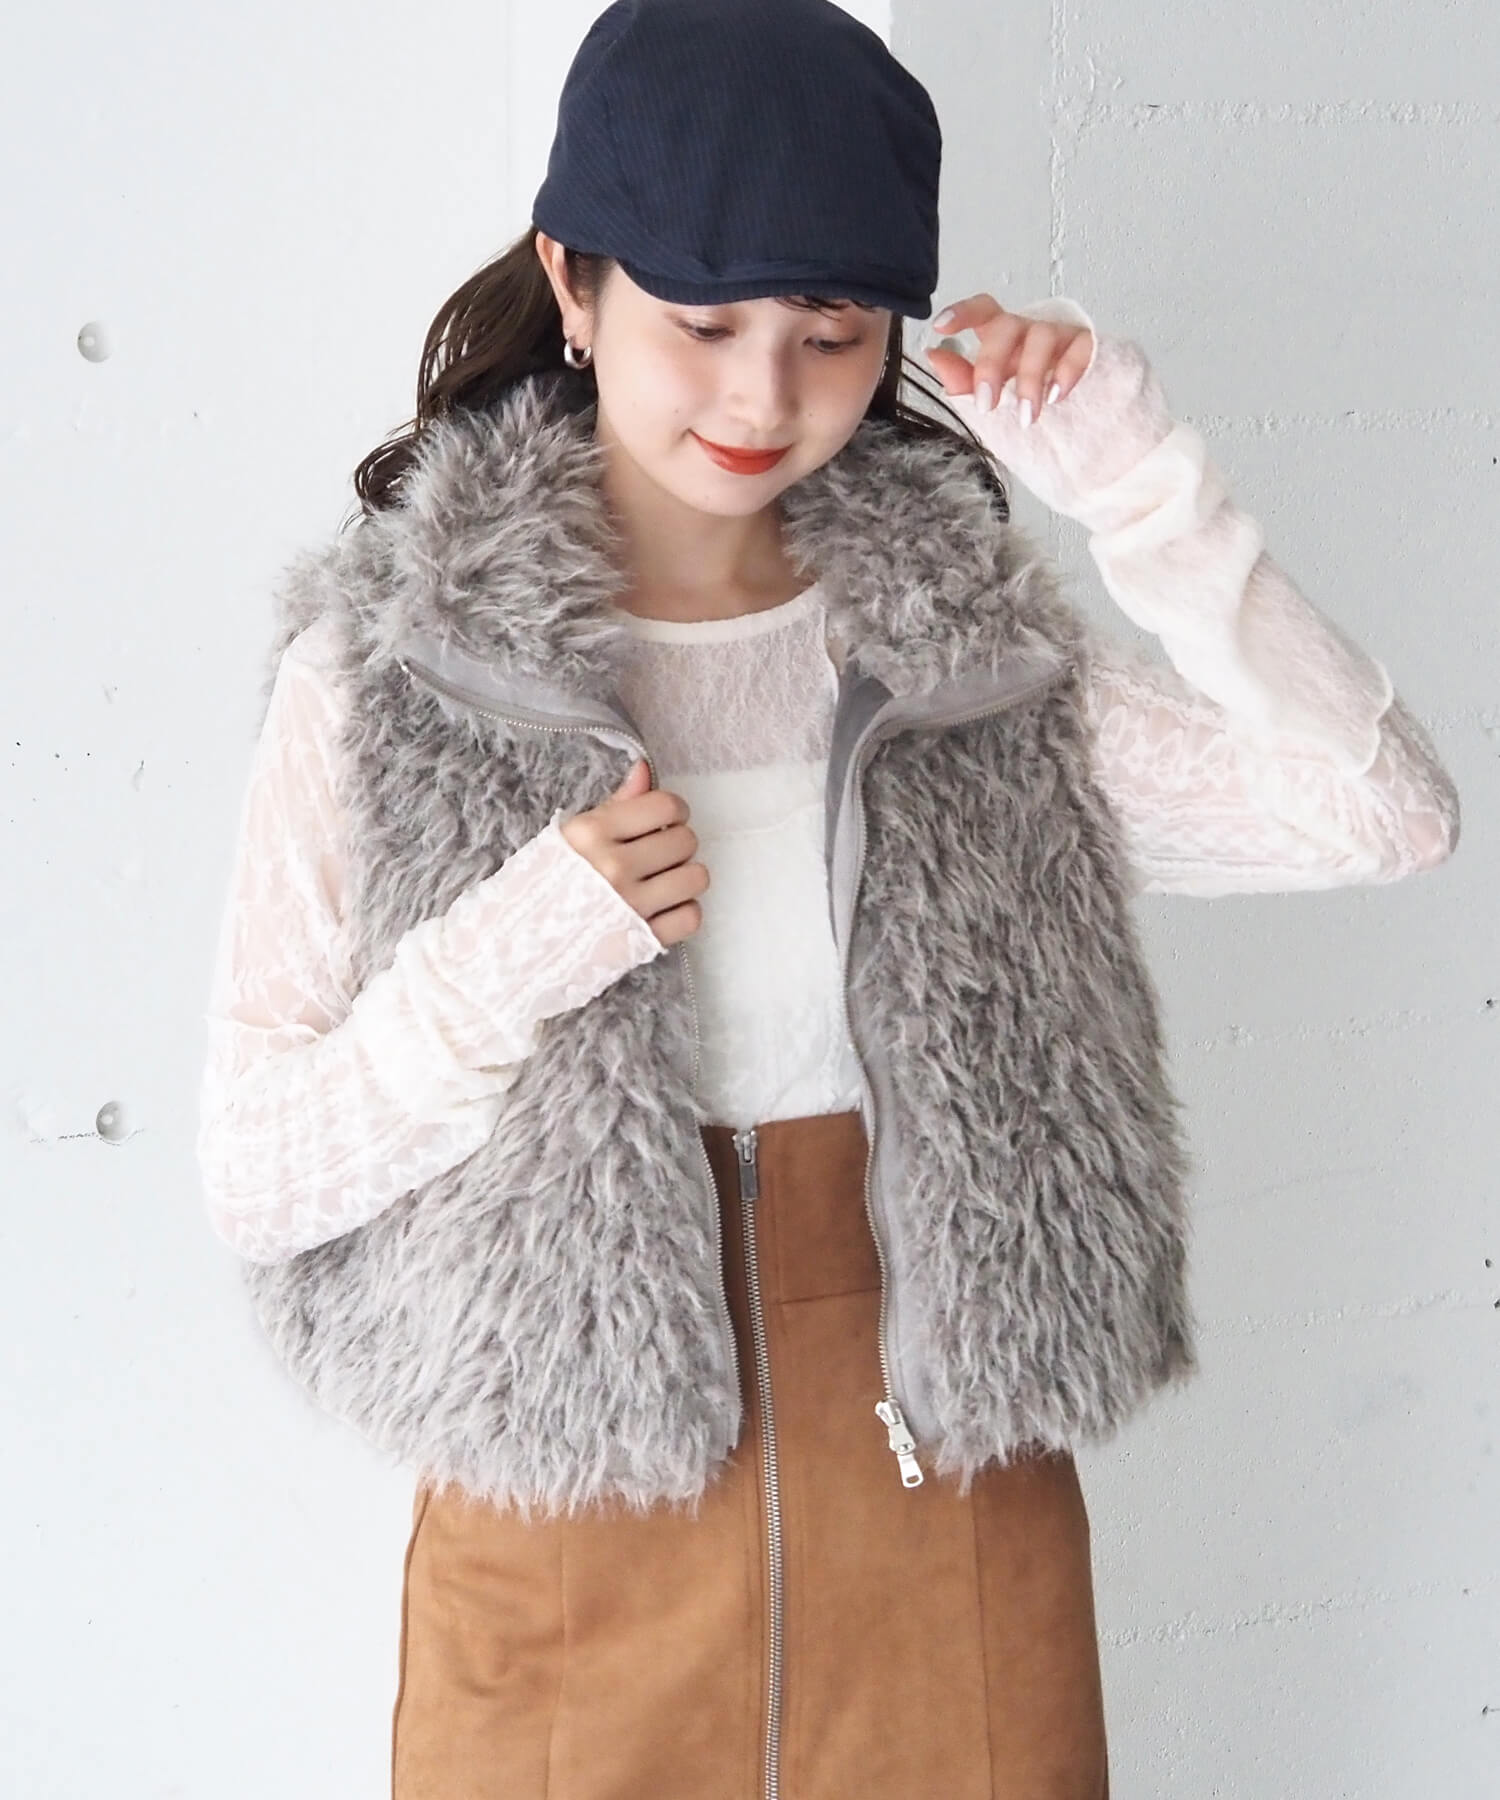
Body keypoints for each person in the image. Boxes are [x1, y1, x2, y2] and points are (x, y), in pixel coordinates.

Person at [195, 2, 1461, 1795]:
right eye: (703, 324)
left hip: (944, 1512)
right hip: (566, 1559)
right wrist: (508, 957)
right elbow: (255, 1173)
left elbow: (1380, 816)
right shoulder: (393, 678)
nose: (761, 398)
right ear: (573, 282)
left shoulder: (964, 666)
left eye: (829, 333)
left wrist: (1141, 488)